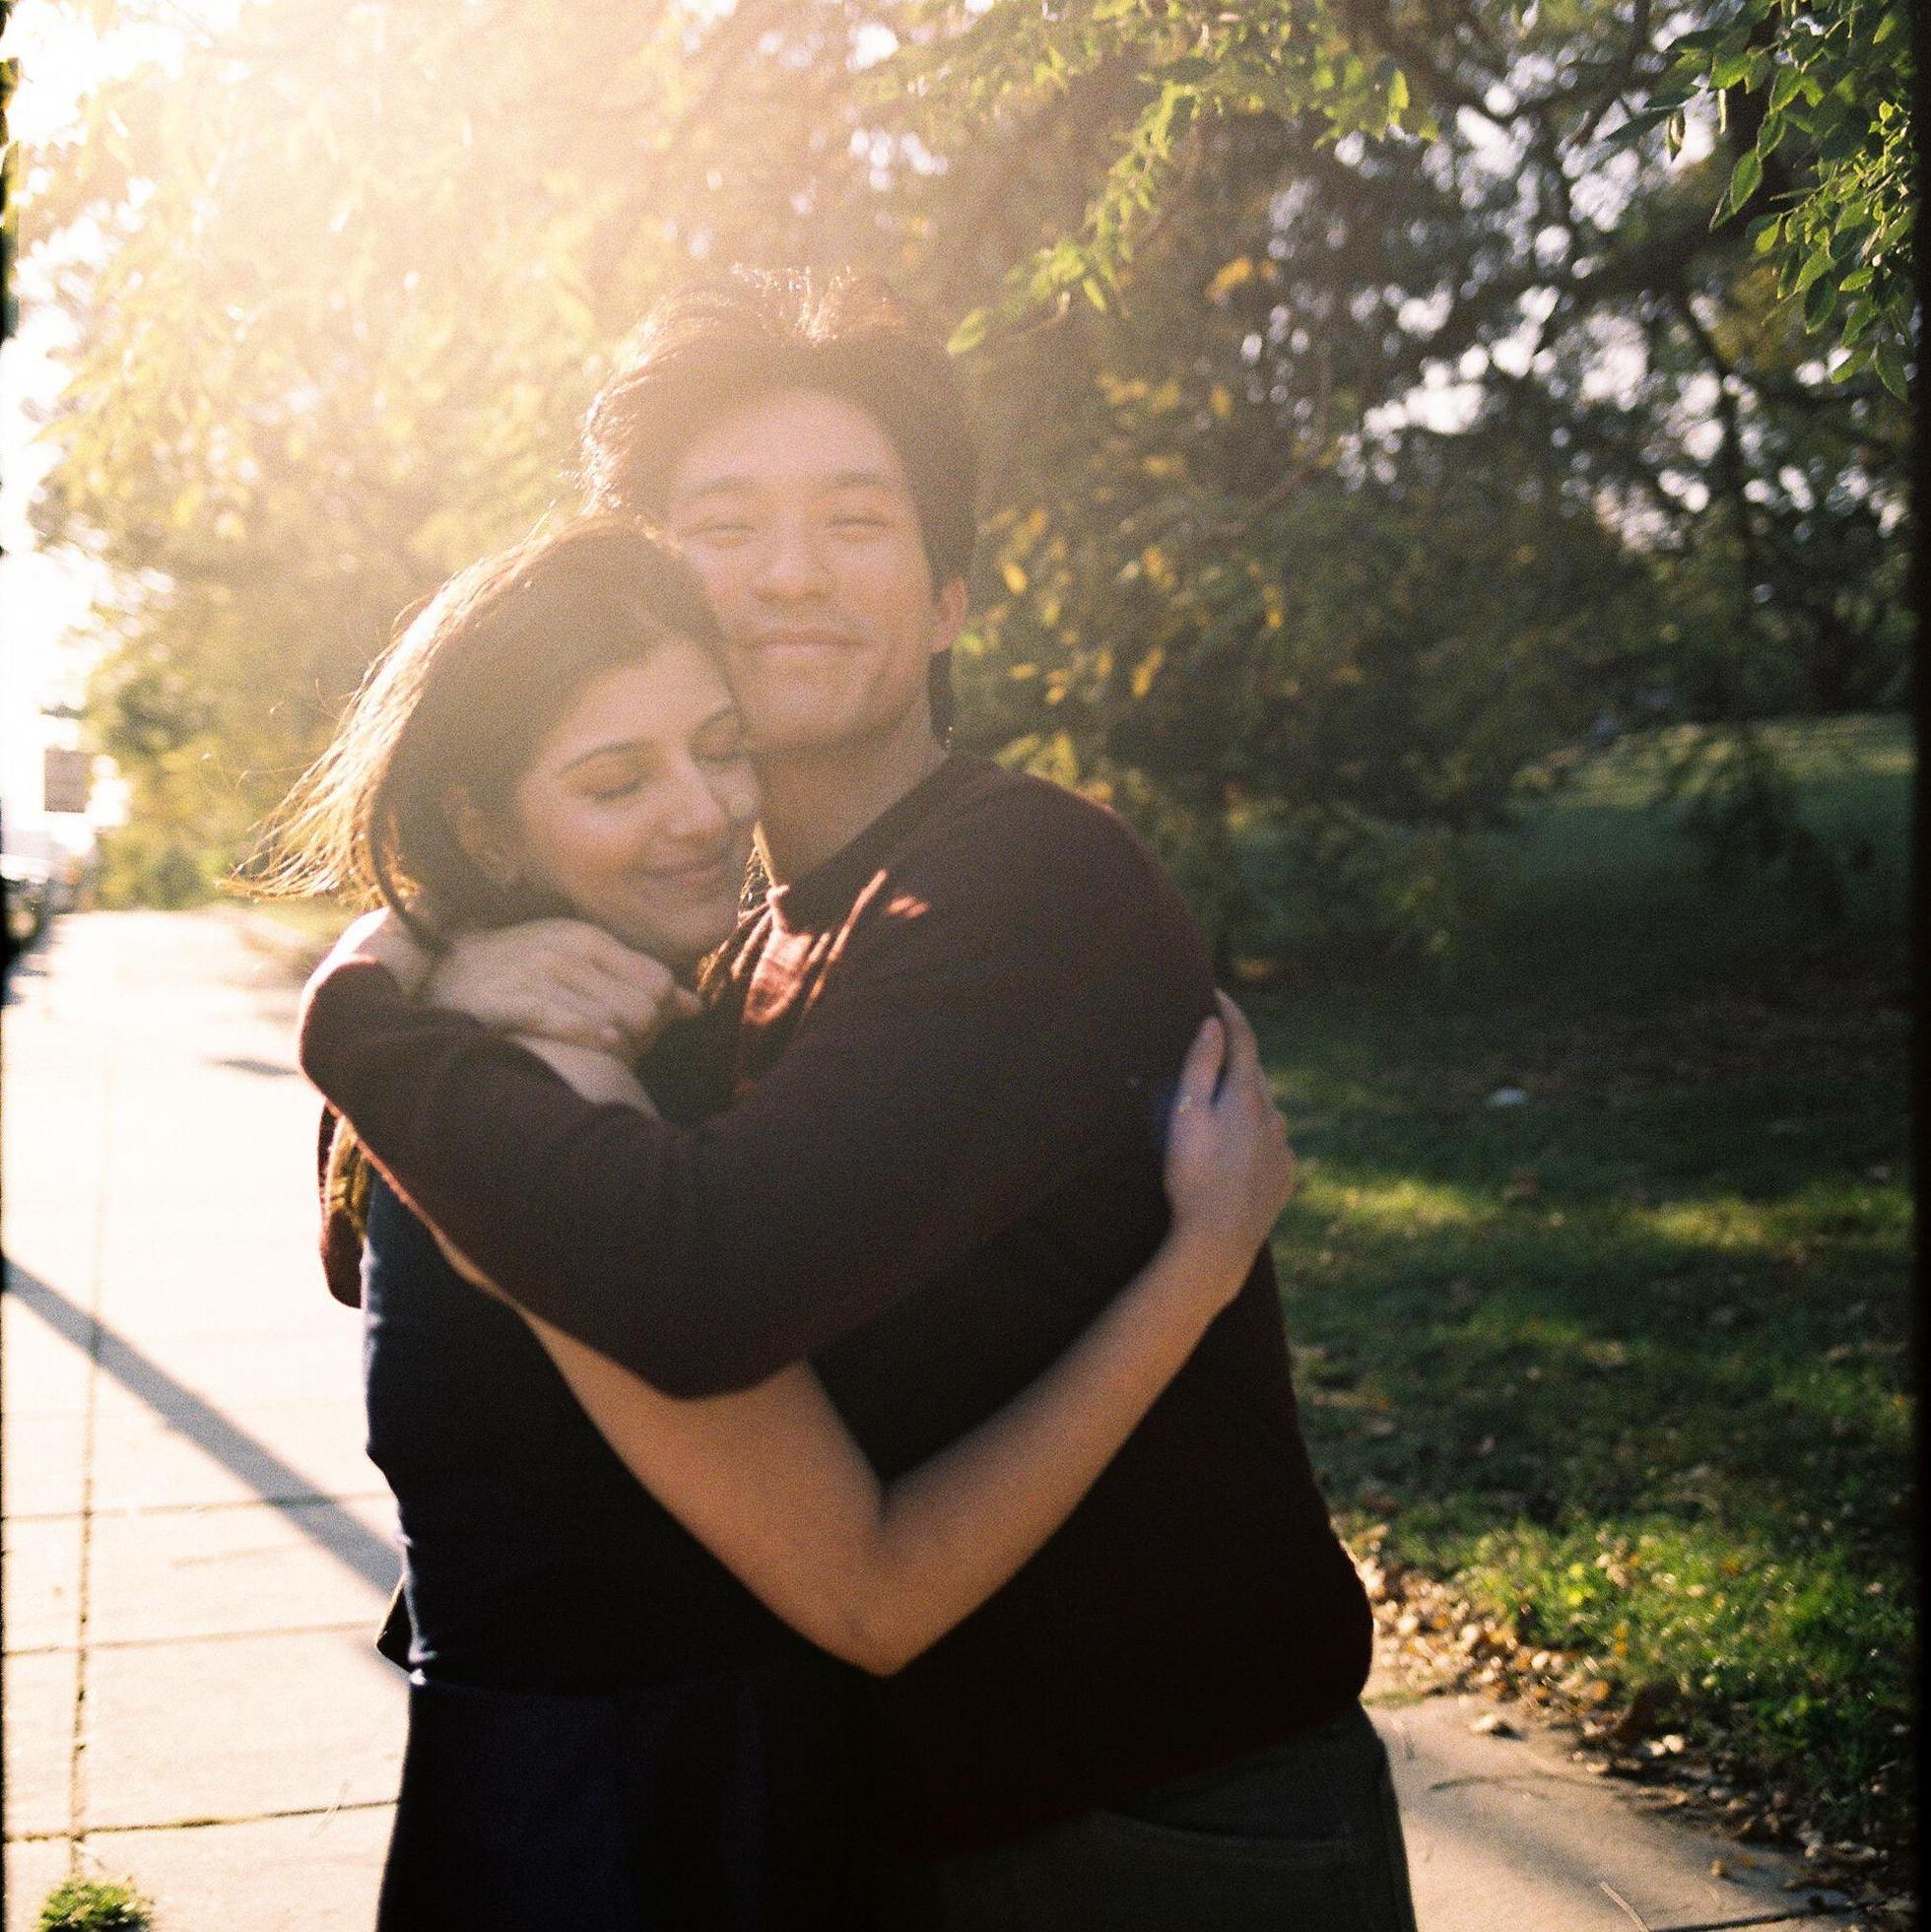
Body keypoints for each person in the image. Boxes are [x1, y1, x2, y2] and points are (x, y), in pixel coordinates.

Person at [299, 271, 1416, 1928]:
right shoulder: (733, 931)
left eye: (856, 520)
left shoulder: (1022, 885)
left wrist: (356, 1019)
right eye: (724, 524)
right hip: (892, 1819)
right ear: (649, 582)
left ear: (952, 593)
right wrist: (436, 964)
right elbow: (456, 1248)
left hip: (1157, 1825)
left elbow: (701, 1287)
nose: (792, 573)